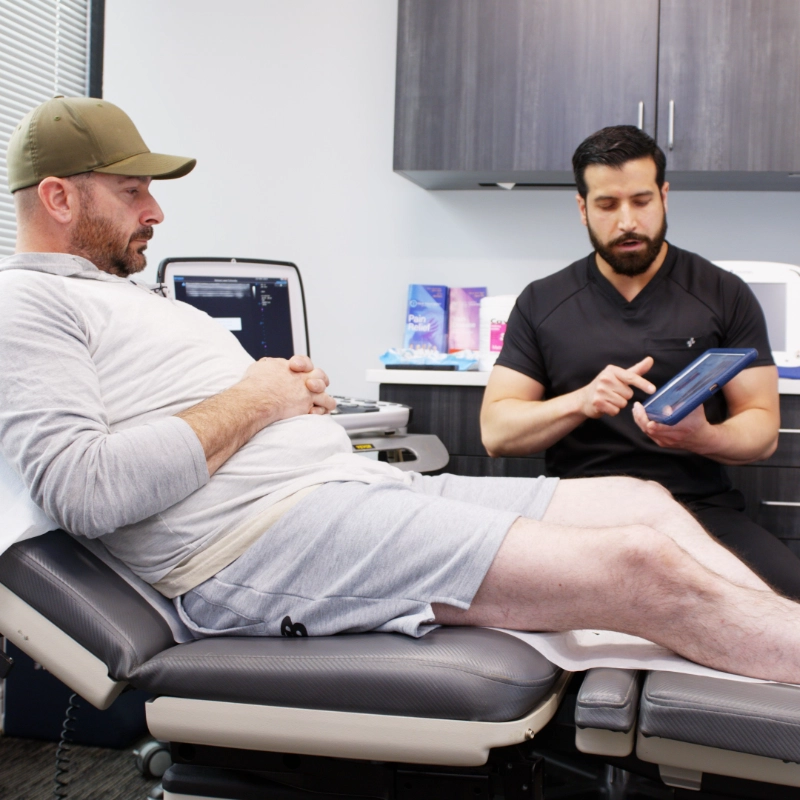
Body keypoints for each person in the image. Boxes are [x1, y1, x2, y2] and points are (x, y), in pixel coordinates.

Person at [3, 98, 800, 686]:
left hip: (346, 489)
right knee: (635, 564)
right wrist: (258, 401)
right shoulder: (27, 302)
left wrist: (290, 398)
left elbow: (211, 413)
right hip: (254, 541)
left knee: (641, 503)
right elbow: (86, 487)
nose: (156, 210)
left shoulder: (131, 296)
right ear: (61, 198)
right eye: (131, 192)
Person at [482, 124, 800, 599]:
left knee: (787, 600)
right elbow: (496, 433)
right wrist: (579, 402)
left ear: (664, 196)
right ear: (582, 208)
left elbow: (762, 430)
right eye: (608, 205)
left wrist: (703, 436)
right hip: (580, 513)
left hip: (697, 508)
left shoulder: (724, 294)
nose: (627, 221)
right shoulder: (541, 301)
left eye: (641, 200)